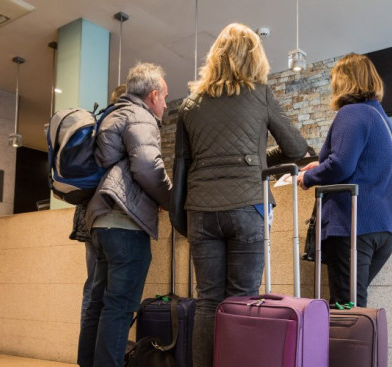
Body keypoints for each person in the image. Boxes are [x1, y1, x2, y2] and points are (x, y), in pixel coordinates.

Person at [169, 23, 308, 367]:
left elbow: (181, 166)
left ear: (216, 56)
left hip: (201, 209)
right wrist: (257, 160)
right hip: (248, 206)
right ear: (254, 57)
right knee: (241, 301)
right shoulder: (259, 93)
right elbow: (296, 147)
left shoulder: (190, 105)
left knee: (207, 301)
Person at [78, 63, 172, 367]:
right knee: (119, 307)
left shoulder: (113, 114)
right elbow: (147, 167)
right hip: (125, 225)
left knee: (99, 304)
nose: (166, 105)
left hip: (101, 222)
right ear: (153, 94)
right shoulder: (140, 116)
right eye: (166, 98)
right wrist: (170, 199)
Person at [298, 53, 392, 308]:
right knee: (350, 304)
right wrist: (322, 165)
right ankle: (355, 349)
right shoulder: (381, 117)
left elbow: (341, 165)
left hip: (354, 225)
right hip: (382, 227)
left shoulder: (352, 113)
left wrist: (308, 177)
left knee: (347, 310)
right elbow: (362, 163)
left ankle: (351, 350)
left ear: (343, 81)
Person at [71, 84, 127, 327]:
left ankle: (89, 352)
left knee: (93, 288)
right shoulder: (122, 126)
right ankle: (104, 352)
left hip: (87, 216)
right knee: (114, 291)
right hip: (109, 216)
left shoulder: (96, 126)